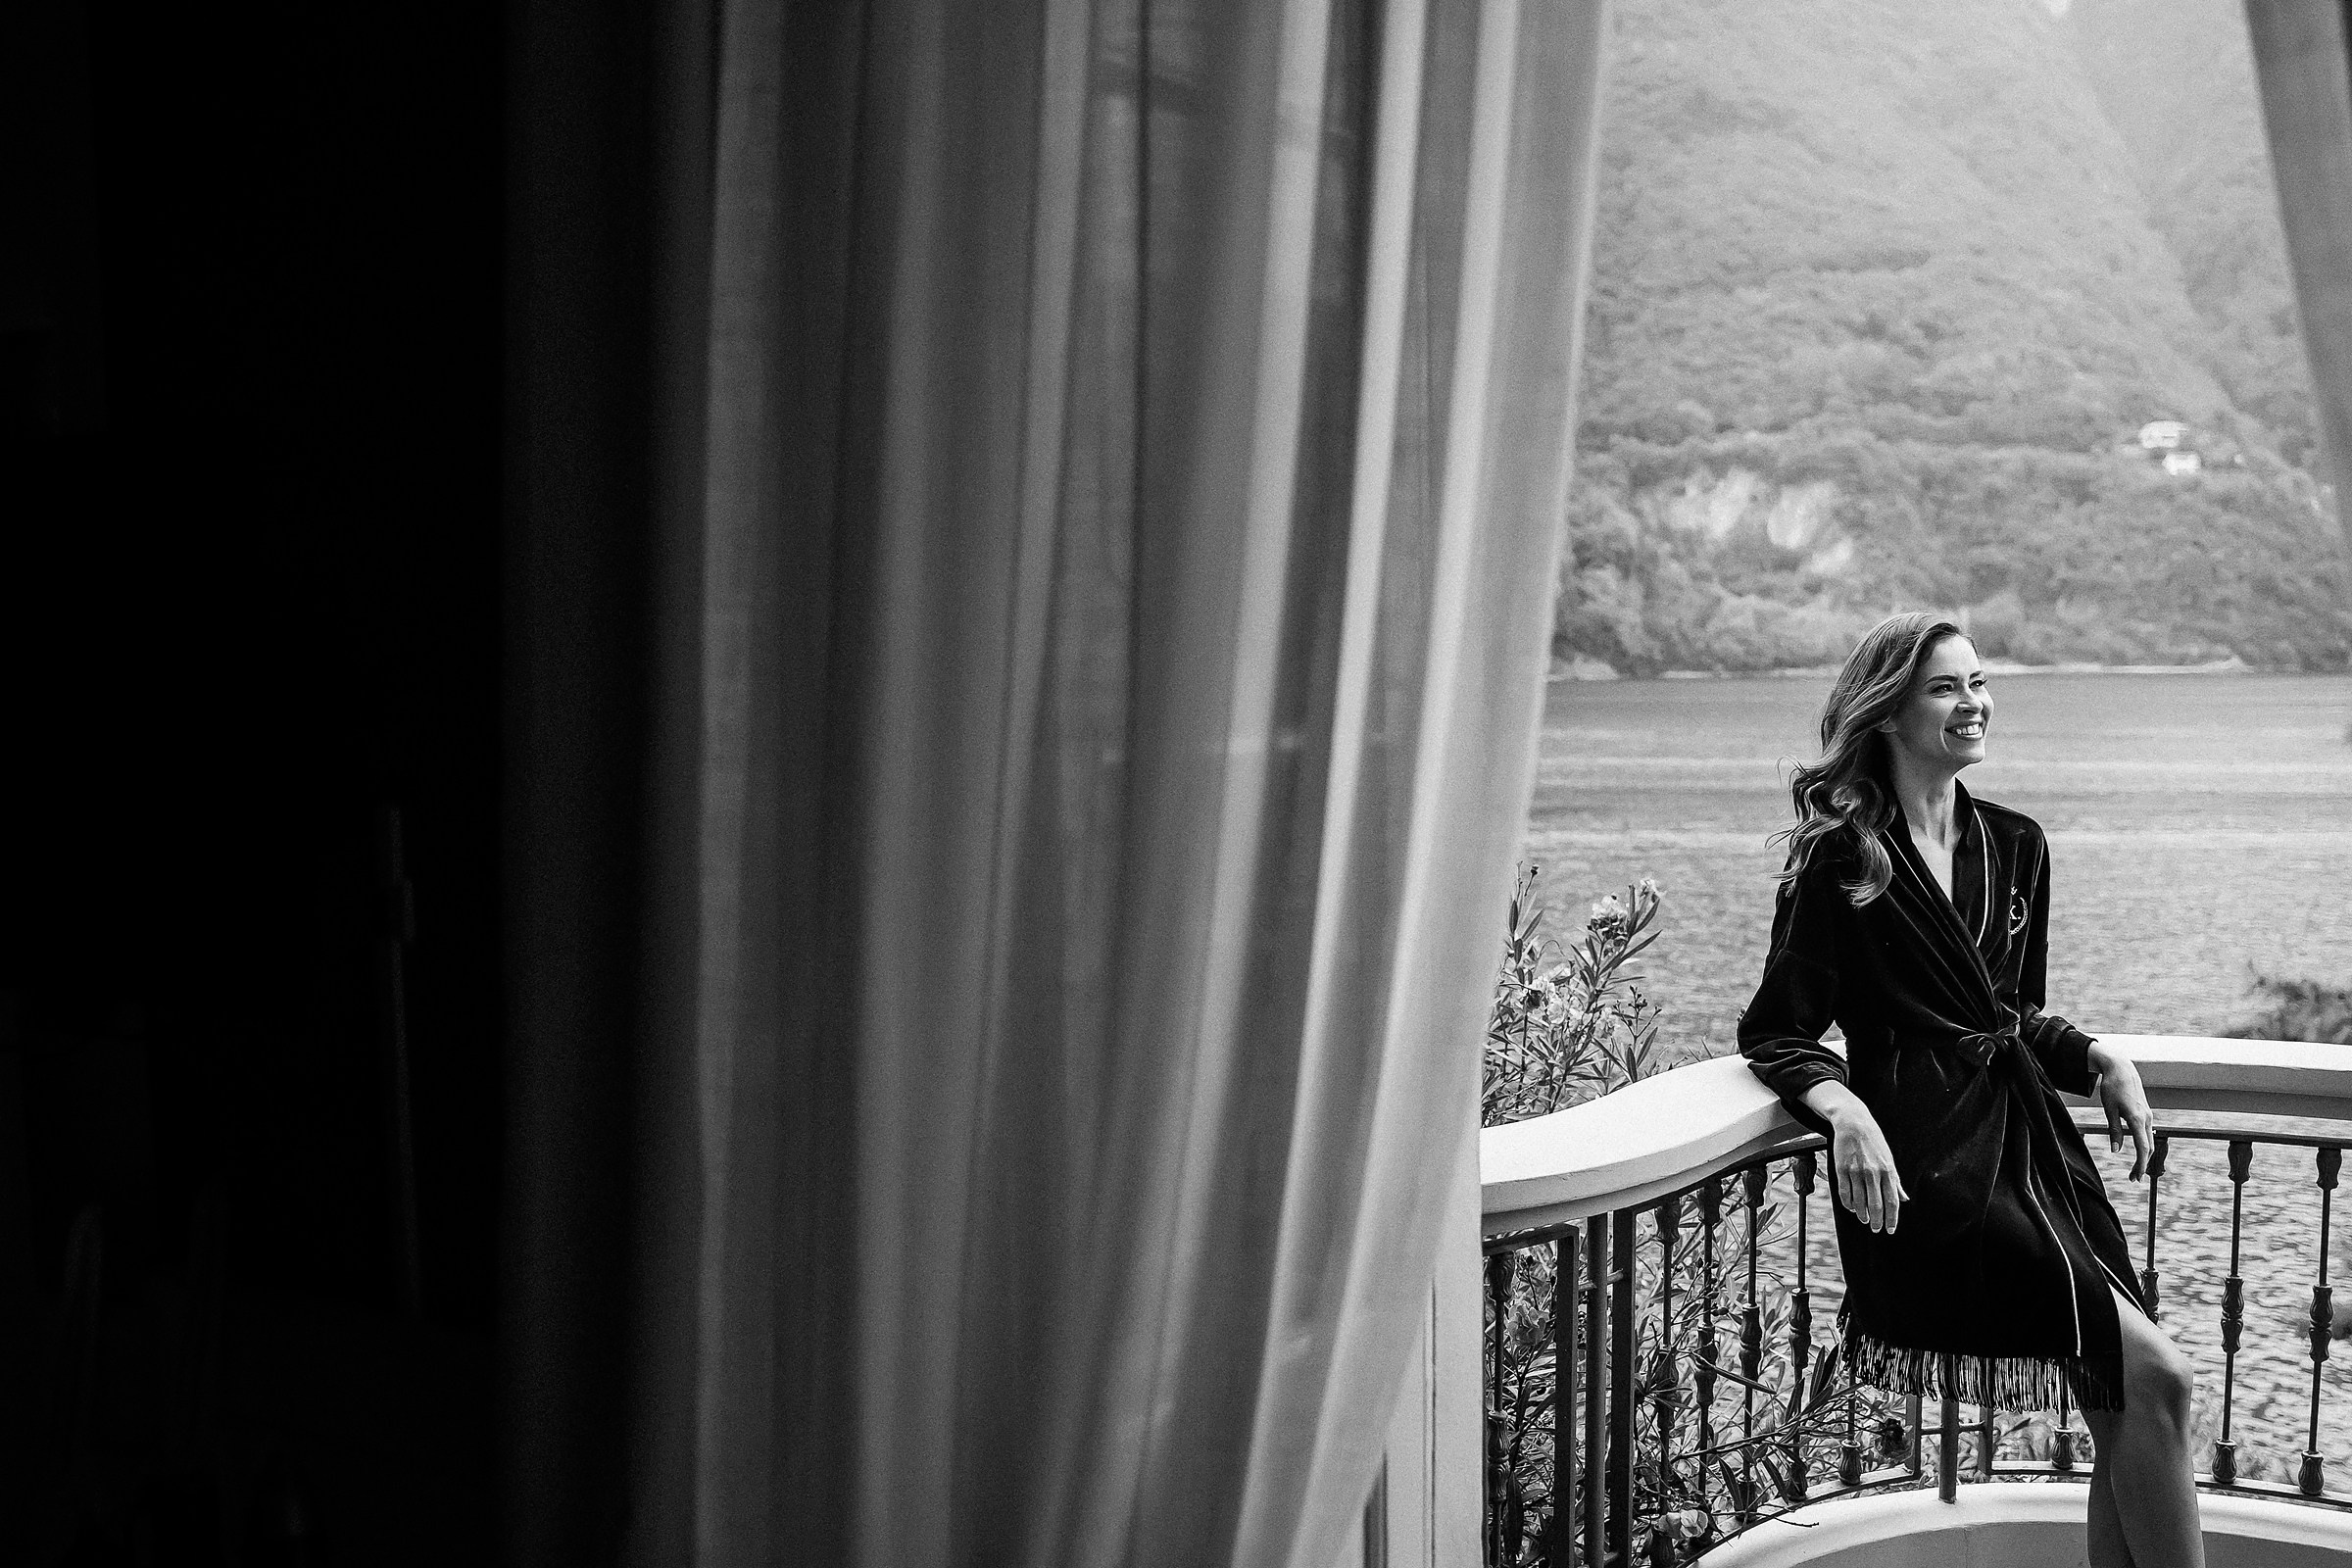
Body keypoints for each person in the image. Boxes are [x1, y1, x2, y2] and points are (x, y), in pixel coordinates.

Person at [1739, 612, 2203, 1567]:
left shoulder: (2017, 844)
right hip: (1937, 1166)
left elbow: (2013, 1012)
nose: (1975, 702)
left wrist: (2095, 1057)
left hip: (2038, 1148)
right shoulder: (1843, 855)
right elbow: (1778, 1027)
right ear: (1890, 710)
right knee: (2157, 1374)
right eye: (1947, 687)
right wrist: (1843, 1105)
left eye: (1979, 682)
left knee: (2126, 1395)